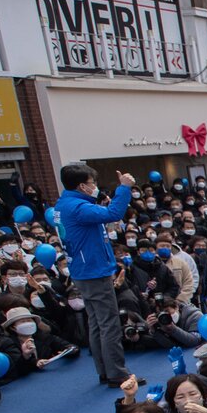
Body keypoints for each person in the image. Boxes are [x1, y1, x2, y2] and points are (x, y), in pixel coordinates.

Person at [54, 163, 134, 387]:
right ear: (82, 185)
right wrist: (124, 188)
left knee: (97, 323)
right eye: (93, 183)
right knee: (108, 323)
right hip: (93, 271)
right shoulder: (78, 207)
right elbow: (114, 213)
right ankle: (117, 373)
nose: (95, 187)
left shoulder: (65, 204)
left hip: (83, 270)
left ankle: (104, 369)